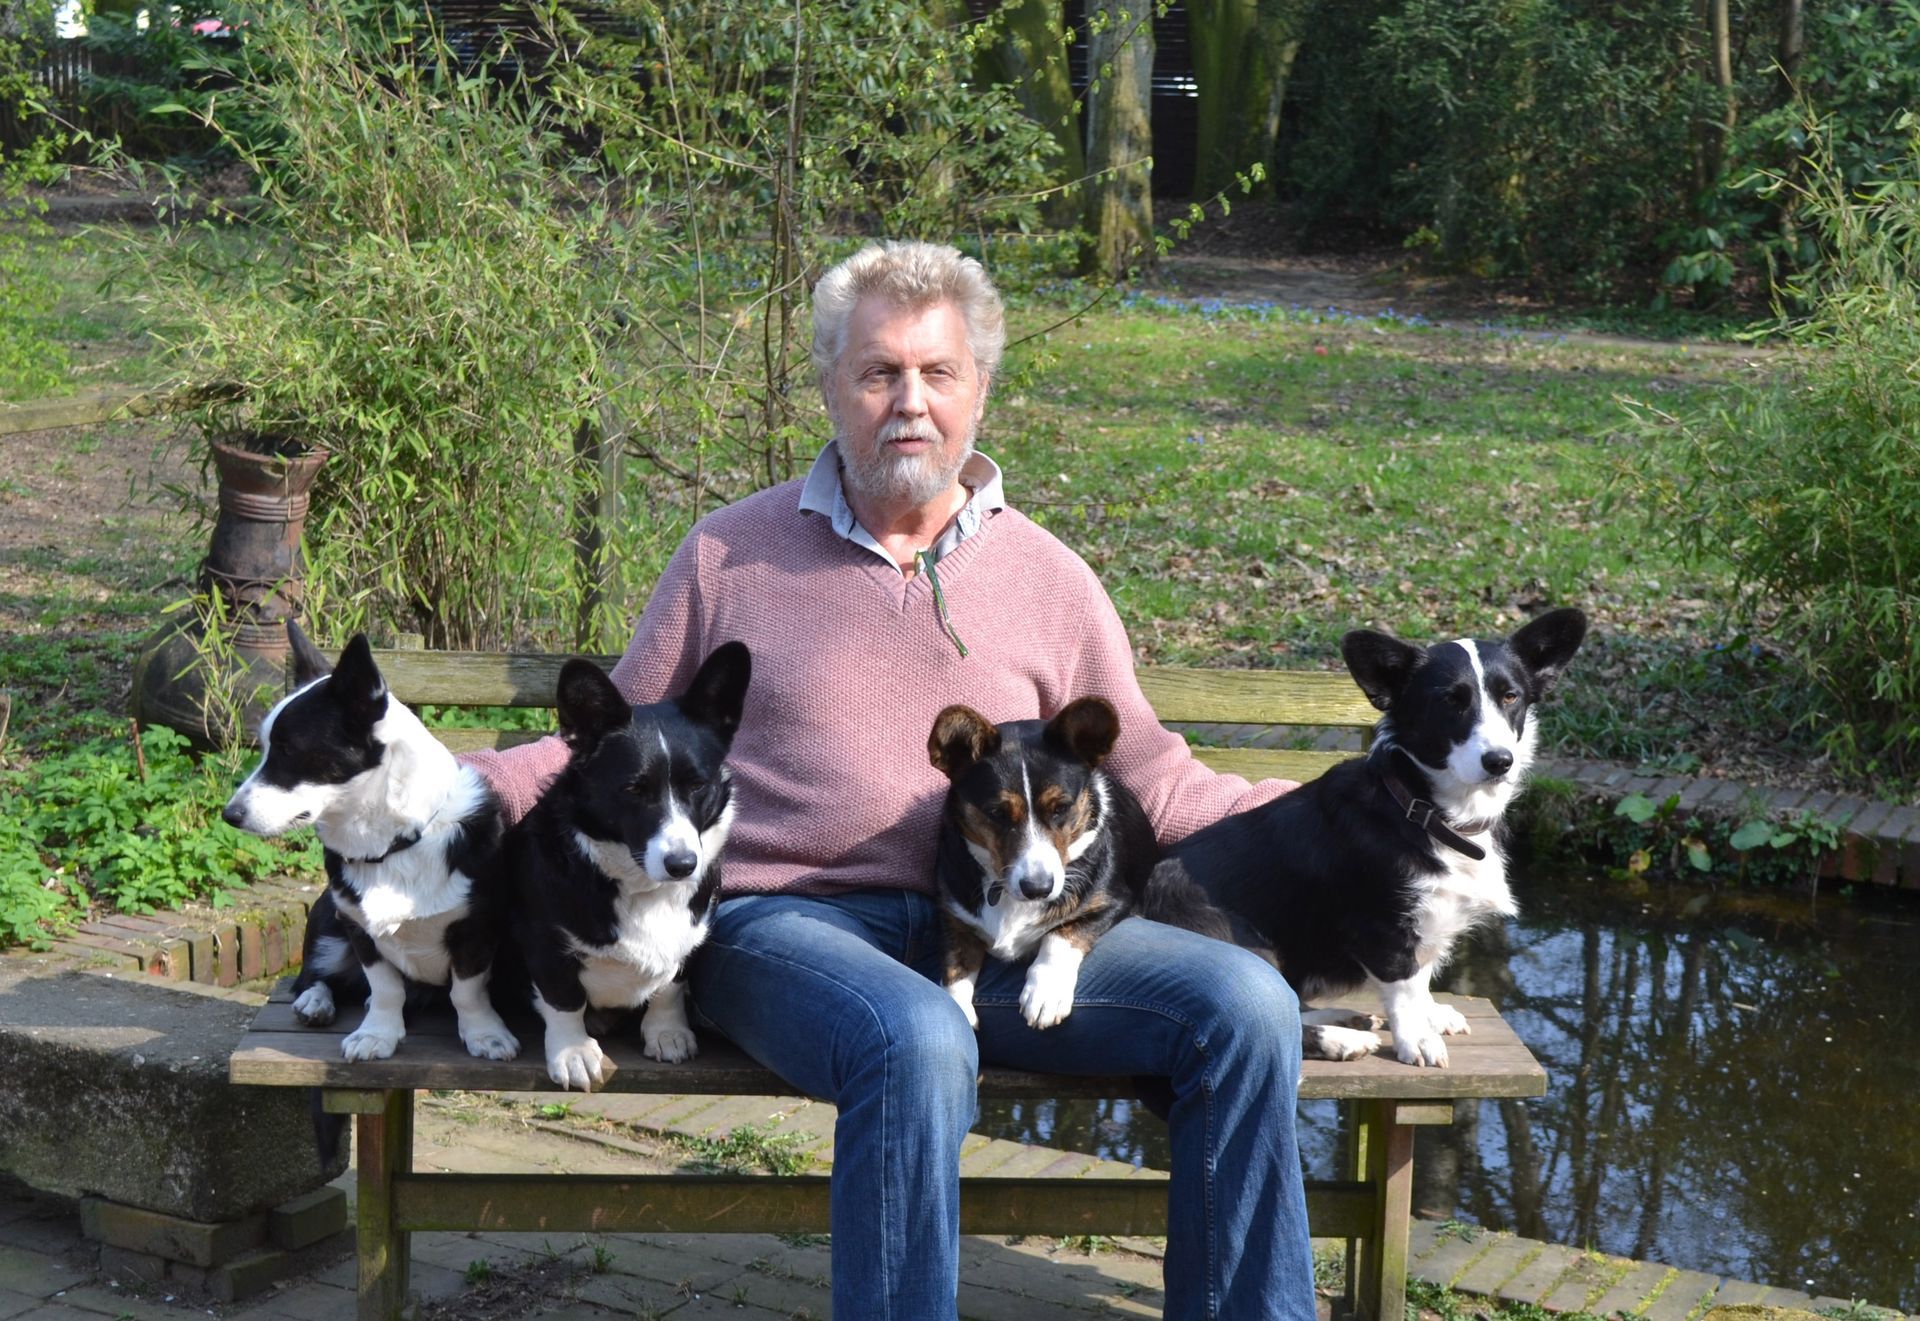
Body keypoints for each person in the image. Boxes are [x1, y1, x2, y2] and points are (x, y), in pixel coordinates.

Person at [465, 240, 1318, 1321]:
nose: (908, 402)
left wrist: (1323, 816)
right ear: (829, 386)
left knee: (1243, 1005)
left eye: (937, 373)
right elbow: (607, 751)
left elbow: (1147, 768)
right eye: (878, 373)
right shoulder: (729, 556)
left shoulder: (1050, 578)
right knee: (913, 1038)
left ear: (979, 392)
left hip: (1004, 931)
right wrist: (433, 789)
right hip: (788, 931)